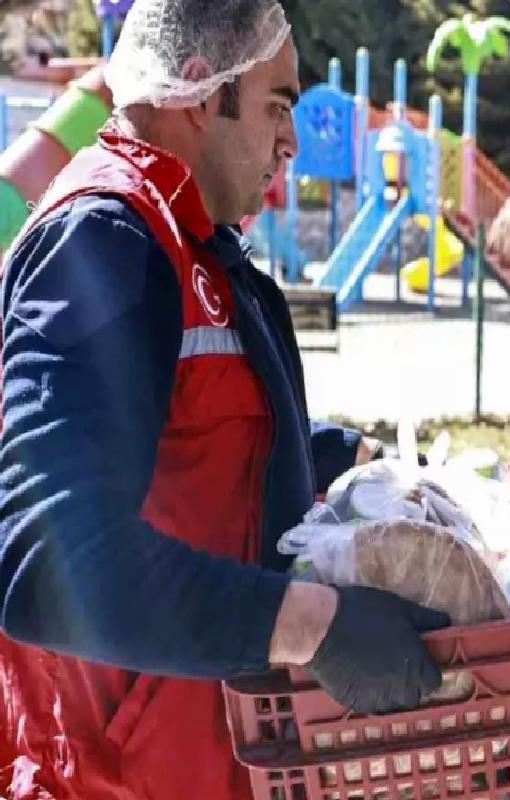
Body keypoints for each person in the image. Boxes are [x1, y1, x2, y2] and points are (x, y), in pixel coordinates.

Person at [0, 2, 450, 799]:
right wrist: (316, 626)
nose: (292, 140)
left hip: (209, 761)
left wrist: (350, 456)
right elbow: (43, 560)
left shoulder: (187, 235)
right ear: (203, 93)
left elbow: (201, 429)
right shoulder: (105, 239)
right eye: (280, 104)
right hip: (120, 778)